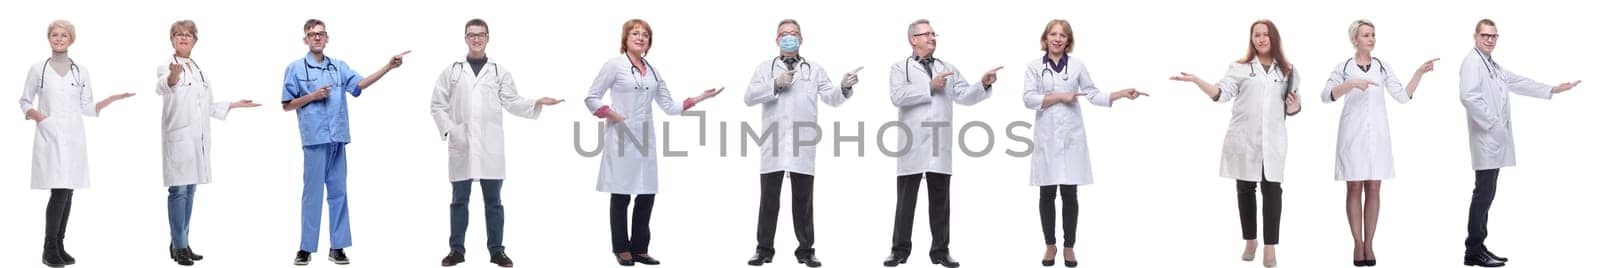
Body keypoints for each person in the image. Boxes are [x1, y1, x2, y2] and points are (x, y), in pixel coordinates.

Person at [583, 18, 725, 267]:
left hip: (646, 140)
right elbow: (591, 98)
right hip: (622, 138)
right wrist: (613, 114)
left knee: (647, 194)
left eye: (645, 35)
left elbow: (669, 107)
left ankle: (640, 248)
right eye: (635, 33)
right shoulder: (614, 66)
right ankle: (621, 248)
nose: (641, 38)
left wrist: (701, 97)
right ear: (625, 39)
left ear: (650, 42)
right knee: (621, 195)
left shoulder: (654, 71)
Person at [1169, 19, 1302, 268]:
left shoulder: (1288, 70)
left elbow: (1293, 104)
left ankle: (1270, 247)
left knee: (1272, 190)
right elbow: (1221, 93)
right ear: (1251, 39)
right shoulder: (1240, 68)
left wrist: (1295, 107)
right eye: (1256, 35)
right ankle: (1251, 240)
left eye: (1265, 34)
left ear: (1274, 38)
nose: (1261, 39)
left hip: (1273, 139)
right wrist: (1198, 81)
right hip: (1245, 138)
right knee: (1246, 189)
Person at [431, 18, 562, 268]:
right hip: (463, 145)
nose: (476, 39)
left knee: (494, 201)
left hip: (490, 147)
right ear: (465, 38)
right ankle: (456, 250)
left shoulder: (499, 71)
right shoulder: (452, 71)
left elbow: (512, 101)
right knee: (459, 200)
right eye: (471, 35)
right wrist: (450, 130)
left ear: (488, 37)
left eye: (481, 34)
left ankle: (497, 251)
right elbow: (437, 105)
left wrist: (536, 102)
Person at [280, 18, 410, 266]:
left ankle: (337, 246)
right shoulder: (295, 68)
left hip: (337, 139)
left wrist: (388, 67)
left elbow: (359, 85)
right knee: (312, 195)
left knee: (339, 193)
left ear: (327, 38)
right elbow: (287, 104)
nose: (316, 37)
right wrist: (312, 96)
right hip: (315, 140)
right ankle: (306, 248)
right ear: (305, 40)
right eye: (311, 34)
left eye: (321, 33)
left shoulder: (337, 67)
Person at [1022, 19, 1147, 268]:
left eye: (1063, 35)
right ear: (1045, 38)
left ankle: (1069, 247)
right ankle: (1050, 245)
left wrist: (1120, 94)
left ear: (1069, 41)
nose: (1057, 39)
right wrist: (1060, 96)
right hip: (1047, 136)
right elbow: (1028, 98)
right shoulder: (1034, 66)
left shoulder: (1077, 65)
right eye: (1053, 34)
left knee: (1069, 193)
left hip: (1071, 136)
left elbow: (1091, 93)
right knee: (1047, 193)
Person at [1456, 18, 1580, 268]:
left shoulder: (1491, 65)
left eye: (1493, 36)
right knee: (1483, 194)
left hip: (1493, 140)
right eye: (1485, 35)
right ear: (1475, 36)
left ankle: (1478, 247)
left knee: (1486, 193)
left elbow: (1517, 82)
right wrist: (1493, 124)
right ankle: (1473, 250)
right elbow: (1468, 97)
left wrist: (1552, 89)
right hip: (1486, 139)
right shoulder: (1472, 62)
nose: (1489, 39)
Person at [740, 18, 859, 268]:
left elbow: (832, 98)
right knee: (768, 200)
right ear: (776, 40)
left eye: (794, 33)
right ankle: (764, 250)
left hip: (802, 145)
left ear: (802, 39)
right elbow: (749, 97)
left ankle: (806, 251)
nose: (789, 37)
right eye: (784, 34)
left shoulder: (813, 69)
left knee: (803, 201)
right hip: (773, 144)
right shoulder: (765, 68)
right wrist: (775, 83)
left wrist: (845, 87)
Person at [1318, 19, 1438, 267]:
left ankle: (1369, 244)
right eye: (1365, 35)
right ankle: (1357, 245)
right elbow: (1325, 96)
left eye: (1373, 34)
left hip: (1378, 138)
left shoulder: (1383, 67)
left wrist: (1418, 74)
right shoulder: (1343, 68)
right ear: (1355, 40)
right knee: (1353, 188)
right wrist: (1350, 84)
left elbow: (1403, 97)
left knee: (1374, 188)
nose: (1371, 39)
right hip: (1352, 137)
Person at [883, 19, 1002, 268]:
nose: (932, 38)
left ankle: (940, 251)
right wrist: (929, 86)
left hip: (939, 143)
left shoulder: (947, 67)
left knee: (940, 201)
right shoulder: (899, 68)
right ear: (912, 40)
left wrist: (983, 84)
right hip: (912, 144)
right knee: (906, 202)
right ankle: (899, 250)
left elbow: (964, 96)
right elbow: (897, 97)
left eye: (933, 34)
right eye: (925, 34)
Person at [20, 19, 136, 268]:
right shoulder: (37, 68)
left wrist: (111, 100)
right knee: (59, 191)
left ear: (71, 39)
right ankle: (49, 248)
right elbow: (25, 102)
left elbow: (86, 107)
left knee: (68, 191)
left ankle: (59, 245)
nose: (59, 38)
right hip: (50, 136)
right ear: (48, 38)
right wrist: (42, 118)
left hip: (73, 137)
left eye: (64, 35)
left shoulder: (80, 70)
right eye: (55, 34)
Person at [156, 19, 262, 266]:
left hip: (197, 139)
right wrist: (172, 76)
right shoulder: (166, 65)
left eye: (188, 35)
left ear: (195, 40)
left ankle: (180, 242)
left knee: (190, 190)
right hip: (179, 137)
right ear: (172, 39)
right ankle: (179, 245)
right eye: (178, 35)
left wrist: (235, 105)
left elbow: (208, 106)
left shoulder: (199, 70)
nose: (183, 38)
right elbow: (163, 86)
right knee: (179, 191)